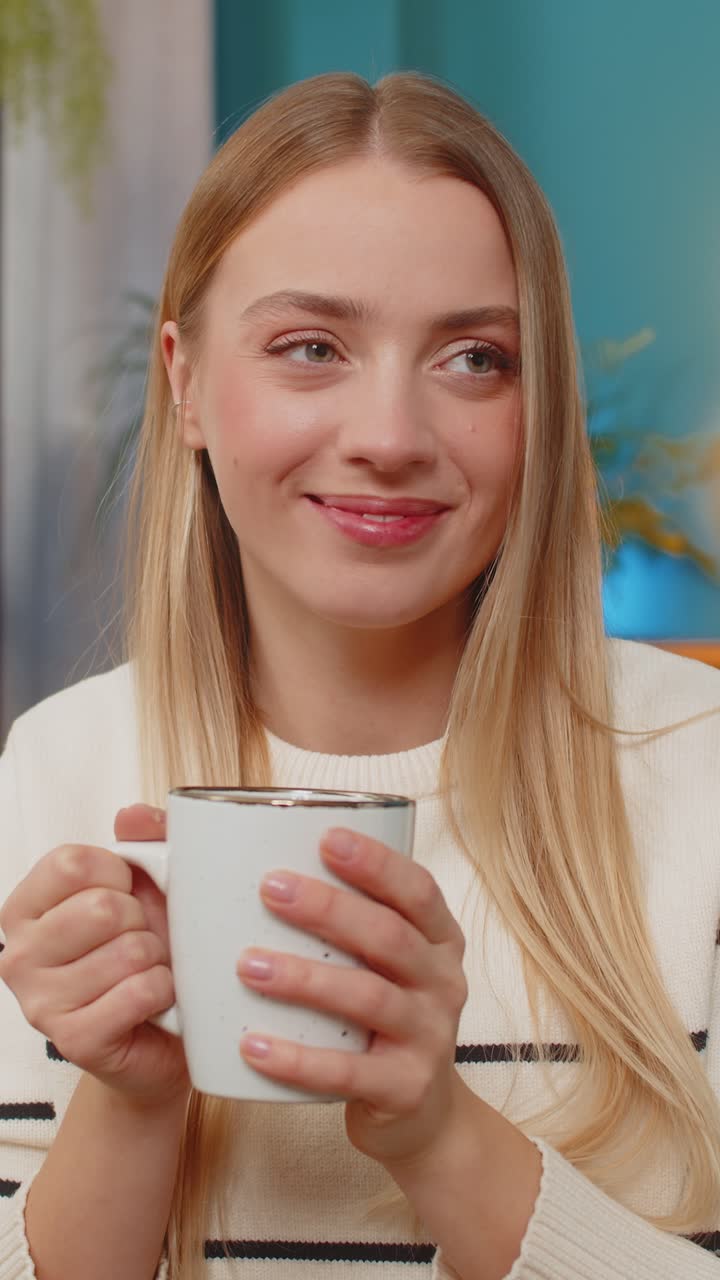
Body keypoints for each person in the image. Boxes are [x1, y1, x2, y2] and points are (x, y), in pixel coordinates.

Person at [0, 69, 719, 1280]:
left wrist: (437, 1131)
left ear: (538, 403)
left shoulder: (699, 763)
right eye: (312, 345)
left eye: (475, 358)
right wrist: (128, 1101)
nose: (390, 435)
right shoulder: (60, 770)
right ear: (183, 384)